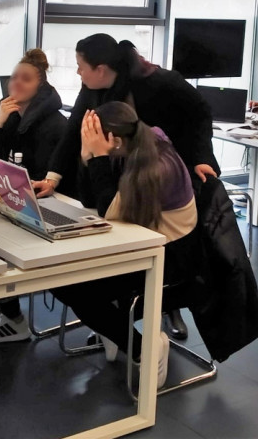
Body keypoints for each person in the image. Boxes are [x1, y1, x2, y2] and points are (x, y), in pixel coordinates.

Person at [33, 34, 217, 340]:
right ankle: (116, 325)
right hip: (125, 176)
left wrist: (201, 157)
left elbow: (200, 113)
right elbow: (74, 132)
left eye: (81, 67)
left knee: (137, 248)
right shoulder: (92, 87)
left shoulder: (158, 82)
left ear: (102, 69)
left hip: (162, 176)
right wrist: (53, 178)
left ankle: (157, 311)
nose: (78, 73)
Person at [51, 102, 198, 388]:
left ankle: (144, 348)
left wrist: (98, 159)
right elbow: (89, 201)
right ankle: (116, 330)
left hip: (170, 257)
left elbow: (108, 210)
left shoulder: (155, 167)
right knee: (62, 278)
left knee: (73, 286)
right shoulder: (131, 145)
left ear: (114, 141)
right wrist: (87, 155)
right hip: (138, 241)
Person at [0, 49, 68, 343]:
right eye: (14, 77)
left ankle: (13, 319)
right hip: (16, 199)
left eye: (25, 79)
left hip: (47, 206)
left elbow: (43, 175)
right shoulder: (14, 115)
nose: (16, 83)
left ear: (40, 86)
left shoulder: (54, 124)